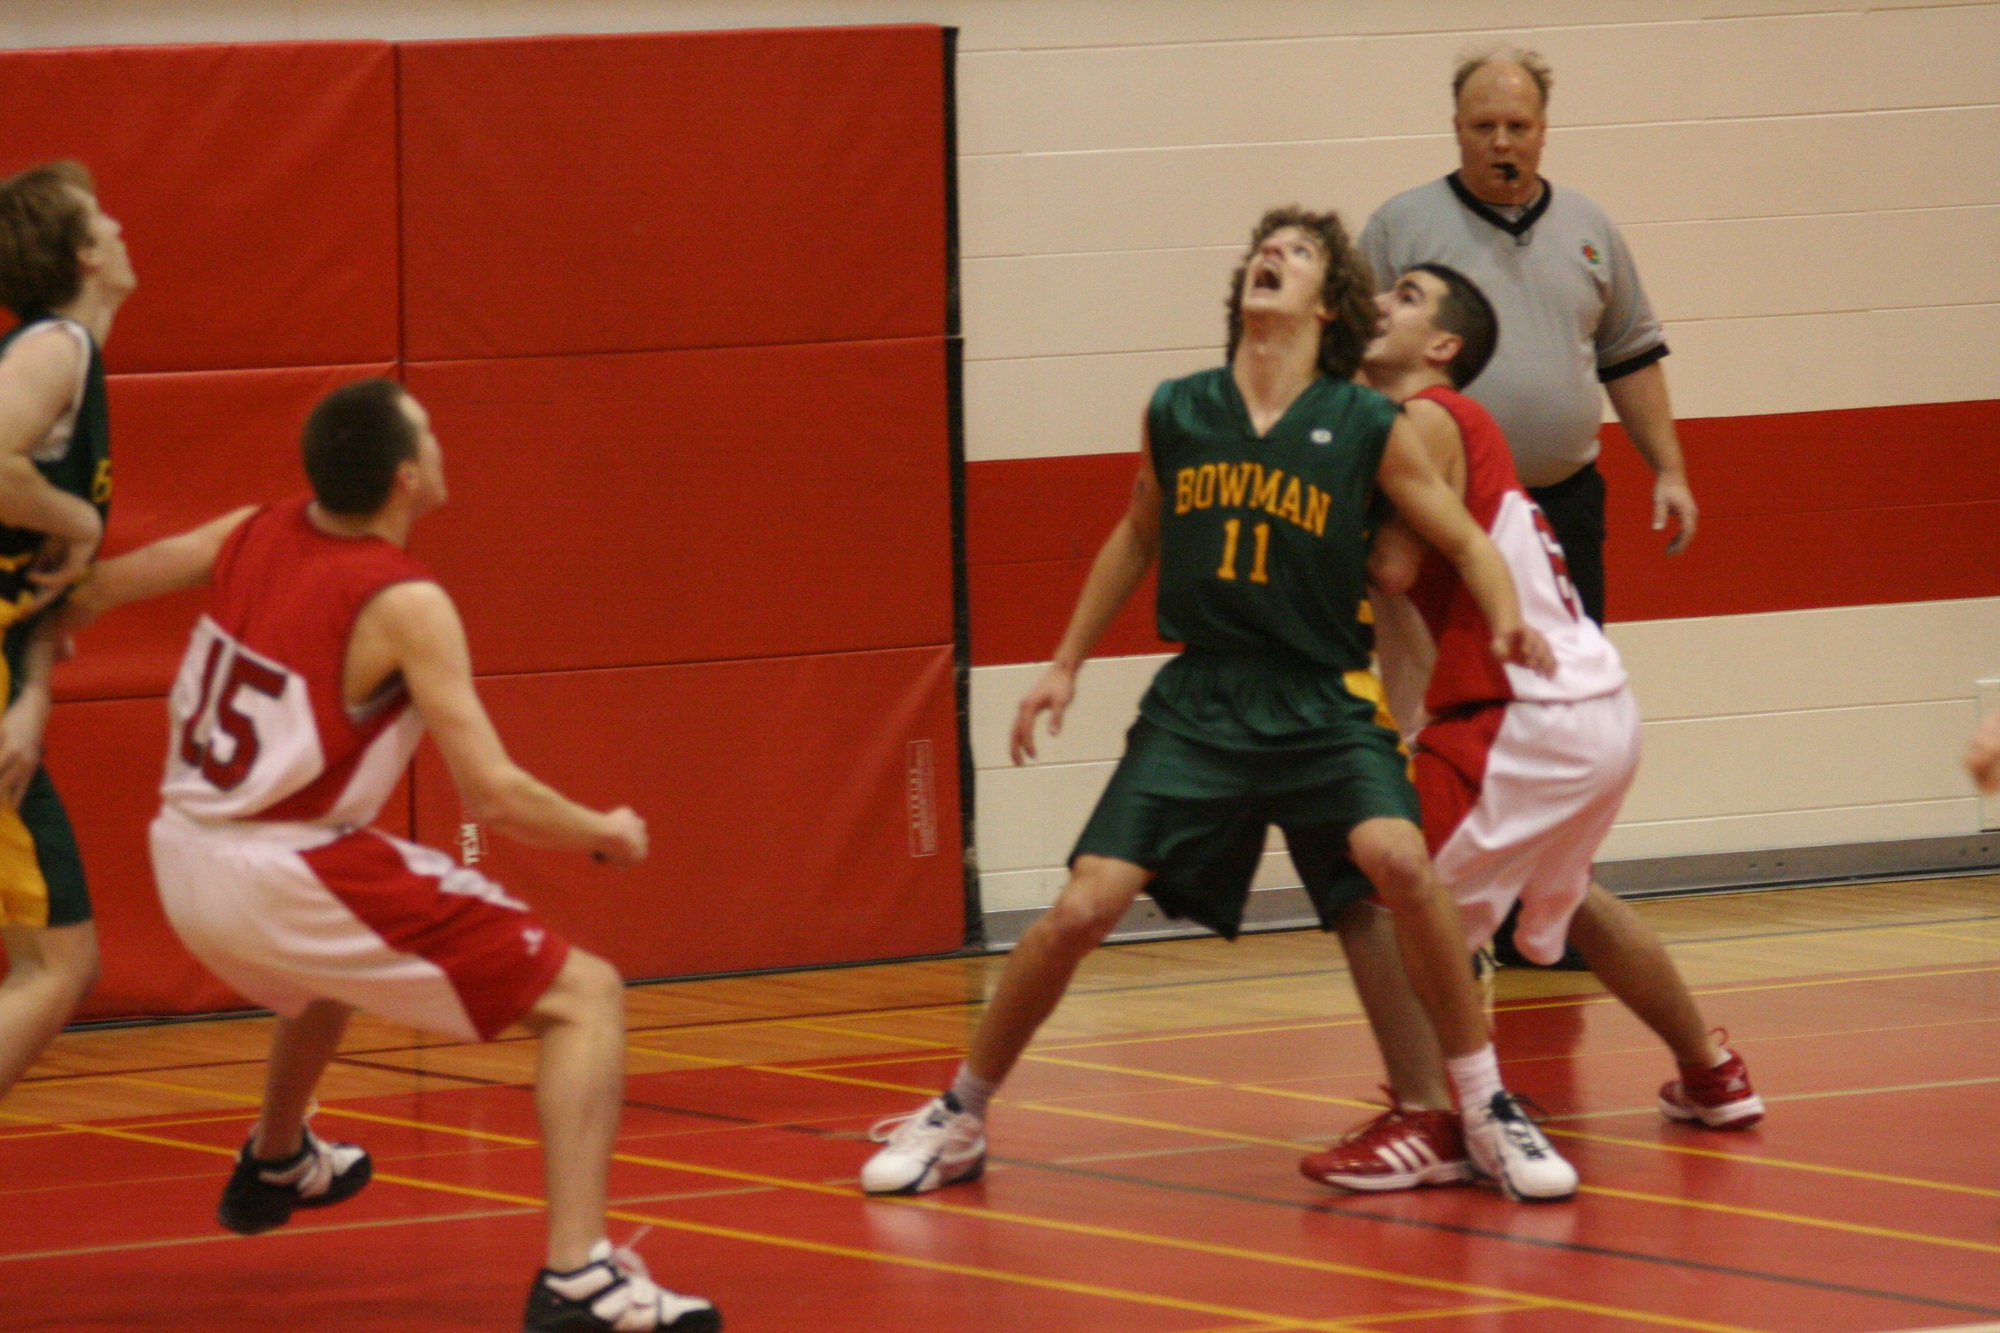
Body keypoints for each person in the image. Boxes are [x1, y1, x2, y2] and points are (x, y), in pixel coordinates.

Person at [862, 206, 1581, 1205]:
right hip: (1202, 695)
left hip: (1321, 692)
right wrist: (1064, 662)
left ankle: (1483, 1106)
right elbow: (1134, 534)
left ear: (1326, 306)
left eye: (1298, 252)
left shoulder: (1367, 424)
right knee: (1081, 906)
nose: (1270, 256)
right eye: (1263, 248)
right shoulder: (1179, 410)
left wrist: (1504, 619)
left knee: (1400, 865)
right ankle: (959, 1111)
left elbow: (1461, 540)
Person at [59, 380, 719, 1333]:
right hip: (279, 864)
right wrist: (601, 830)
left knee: (332, 969)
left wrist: (29, 629)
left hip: (184, 857)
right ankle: (580, 1274)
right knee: (588, 997)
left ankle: (276, 1158)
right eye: (431, 433)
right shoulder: (404, 600)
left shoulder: (253, 530)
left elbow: (101, 584)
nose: (441, 444)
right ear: (408, 474)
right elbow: (493, 794)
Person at [1298, 265, 1761, 1194]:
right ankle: (1711, 1071)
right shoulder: (1448, 430)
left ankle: (1437, 1114)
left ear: (1443, 347)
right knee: (1572, 894)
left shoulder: (1427, 416)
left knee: (1380, 885)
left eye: (1406, 297)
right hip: (1593, 710)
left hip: (1524, 709)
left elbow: (1389, 567)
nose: (1380, 302)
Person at [1359, 48, 1698, 971]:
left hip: (1558, 504)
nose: (1501, 142)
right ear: (1456, 129)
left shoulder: (1589, 229)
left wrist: (1668, 467)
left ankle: (1541, 905)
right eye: (1483, 126)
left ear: (1544, 129)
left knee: (1555, 707)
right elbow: (1353, 361)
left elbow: (1630, 355)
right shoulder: (1401, 227)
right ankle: (1458, 900)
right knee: (1449, 701)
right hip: (1437, 510)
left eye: (1517, 126)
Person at [0, 160, 133, 1107]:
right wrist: (82, 520)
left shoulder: (67, 361)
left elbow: (37, 585)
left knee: (53, 963)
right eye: (103, 218)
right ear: (85, 252)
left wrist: (36, 693)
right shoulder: (57, 346)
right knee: (57, 965)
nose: (121, 227)